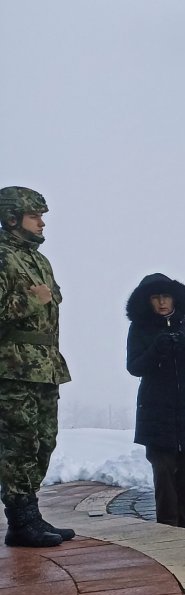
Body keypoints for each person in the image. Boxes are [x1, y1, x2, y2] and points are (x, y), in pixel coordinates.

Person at [0, 186, 73, 547]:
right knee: (19, 444)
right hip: (12, 369)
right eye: (35, 216)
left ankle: (31, 514)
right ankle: (20, 519)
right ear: (13, 218)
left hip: (44, 367)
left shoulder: (39, 261)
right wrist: (30, 300)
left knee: (44, 441)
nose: (42, 223)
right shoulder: (1, 256)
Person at [126, 274, 185, 529]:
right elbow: (134, 367)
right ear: (148, 301)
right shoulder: (140, 328)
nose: (162, 302)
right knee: (163, 473)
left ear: (174, 297)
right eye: (156, 298)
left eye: (165, 296)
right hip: (156, 411)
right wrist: (156, 348)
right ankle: (166, 525)